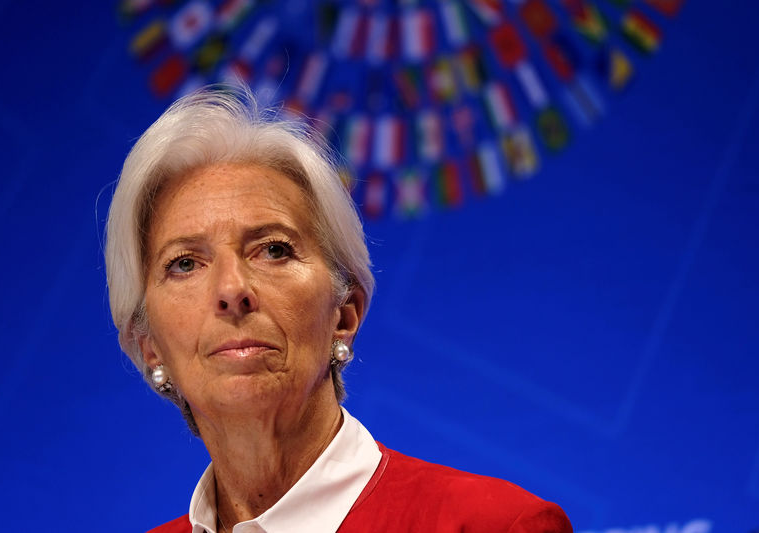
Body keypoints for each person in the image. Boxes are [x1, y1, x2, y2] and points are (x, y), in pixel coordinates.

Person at [104, 87, 572, 533]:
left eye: (273, 250)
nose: (231, 289)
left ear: (344, 314)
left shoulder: (494, 525)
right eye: (185, 263)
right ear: (149, 348)